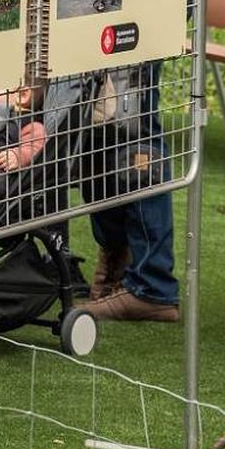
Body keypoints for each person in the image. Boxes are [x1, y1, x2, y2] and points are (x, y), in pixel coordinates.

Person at [75, 61, 180, 323]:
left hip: (141, 24)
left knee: (135, 125)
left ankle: (151, 286)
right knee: (96, 122)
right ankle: (116, 263)